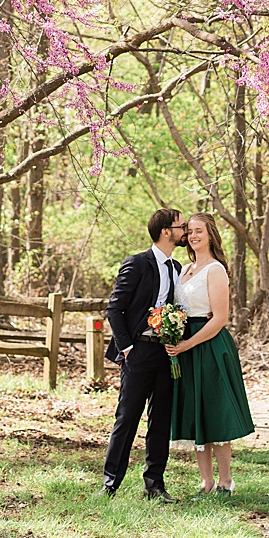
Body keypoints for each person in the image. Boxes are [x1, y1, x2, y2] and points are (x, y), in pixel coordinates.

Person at [164, 213, 255, 494]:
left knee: (215, 410)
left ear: (211, 234)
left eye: (199, 231)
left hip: (210, 344)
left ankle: (226, 481)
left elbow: (219, 319)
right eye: (189, 231)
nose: (193, 236)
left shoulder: (216, 270)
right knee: (195, 410)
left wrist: (188, 344)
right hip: (185, 345)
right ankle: (206, 482)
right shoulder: (184, 269)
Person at [100, 208, 186, 500]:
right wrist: (127, 348)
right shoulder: (136, 263)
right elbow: (115, 308)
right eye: (181, 226)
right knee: (127, 417)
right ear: (166, 232)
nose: (184, 230)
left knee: (161, 419)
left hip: (167, 354)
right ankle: (110, 484)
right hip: (138, 352)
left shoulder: (177, 269)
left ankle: (155, 485)